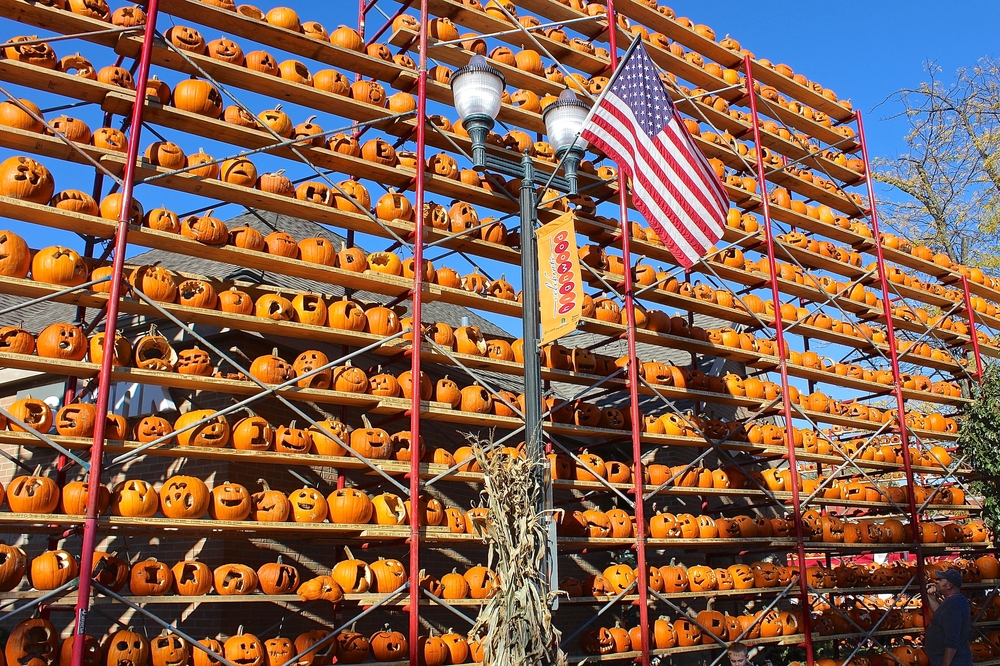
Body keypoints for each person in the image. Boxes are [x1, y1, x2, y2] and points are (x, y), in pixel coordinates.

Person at [926, 569, 973, 666]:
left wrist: (945, 664)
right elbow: (943, 617)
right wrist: (931, 597)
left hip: (955, 662)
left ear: (949, 585)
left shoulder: (952, 604)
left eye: (941, 580)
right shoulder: (956, 601)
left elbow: (952, 640)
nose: (937, 582)